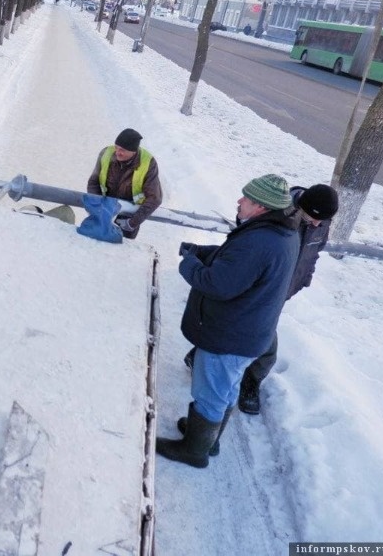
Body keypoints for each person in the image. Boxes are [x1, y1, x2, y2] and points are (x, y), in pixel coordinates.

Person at [157, 174, 299, 468]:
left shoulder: (259, 241)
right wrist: (204, 253)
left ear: (260, 207)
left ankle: (194, 450)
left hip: (229, 335)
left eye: (245, 198)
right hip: (249, 333)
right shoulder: (281, 233)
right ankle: (208, 440)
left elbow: (218, 284)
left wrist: (190, 263)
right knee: (227, 387)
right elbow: (237, 264)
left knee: (210, 391)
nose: (239, 201)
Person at [184, 184, 339, 416]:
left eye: (322, 221)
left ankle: (248, 382)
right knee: (250, 334)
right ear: (303, 207)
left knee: (254, 336)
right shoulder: (280, 210)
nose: (317, 225)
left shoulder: (320, 220)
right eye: (314, 219)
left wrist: (304, 279)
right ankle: (211, 361)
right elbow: (249, 240)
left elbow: (312, 255)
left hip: (281, 289)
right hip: (261, 283)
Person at [86, 128, 163, 239]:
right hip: (103, 211)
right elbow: (94, 182)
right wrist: (96, 207)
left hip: (127, 217)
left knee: (121, 250)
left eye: (122, 150)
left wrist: (132, 223)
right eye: (116, 147)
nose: (117, 152)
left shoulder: (148, 163)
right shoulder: (106, 153)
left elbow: (155, 198)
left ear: (133, 151)